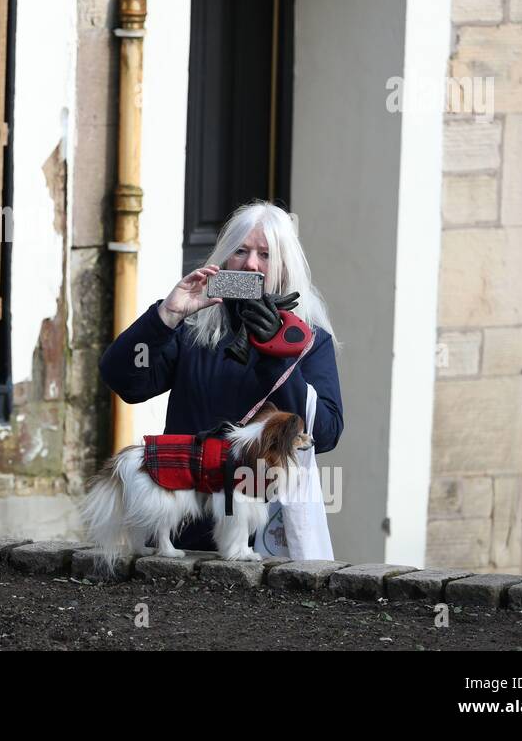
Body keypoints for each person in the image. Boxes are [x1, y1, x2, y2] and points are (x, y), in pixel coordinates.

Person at [99, 200, 343, 550]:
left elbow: (325, 432)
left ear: (286, 267)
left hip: (260, 523)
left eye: (266, 254)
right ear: (224, 259)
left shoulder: (310, 339)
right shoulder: (194, 329)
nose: (251, 264)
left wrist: (277, 354)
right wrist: (165, 317)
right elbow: (124, 381)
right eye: (240, 251)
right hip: (181, 516)